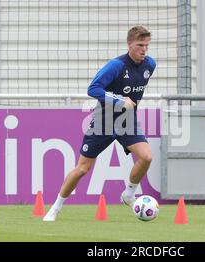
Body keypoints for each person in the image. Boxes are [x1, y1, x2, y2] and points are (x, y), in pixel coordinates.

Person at [43, 25, 156, 221]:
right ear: (129, 44)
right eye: (140, 45)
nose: (144, 50)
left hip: (126, 121)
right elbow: (93, 89)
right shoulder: (116, 66)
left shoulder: (150, 65)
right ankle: (56, 207)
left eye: (147, 45)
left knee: (146, 157)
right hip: (103, 121)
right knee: (82, 169)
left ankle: (129, 194)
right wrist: (120, 100)